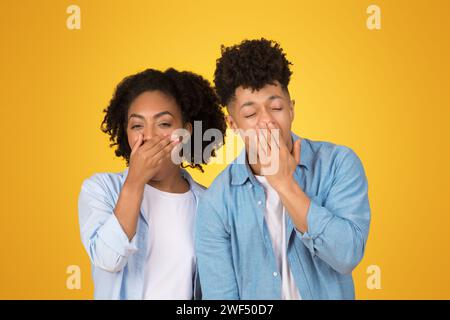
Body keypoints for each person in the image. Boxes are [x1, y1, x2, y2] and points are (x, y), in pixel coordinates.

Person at [195, 38, 371, 299]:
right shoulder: (216, 203)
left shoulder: (338, 163)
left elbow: (346, 256)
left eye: (276, 107)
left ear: (291, 109)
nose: (267, 121)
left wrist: (285, 185)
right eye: (251, 114)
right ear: (232, 124)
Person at [78, 68, 226, 299]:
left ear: (186, 132)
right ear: (126, 132)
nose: (149, 136)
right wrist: (135, 182)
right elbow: (107, 259)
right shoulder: (101, 189)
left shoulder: (209, 203)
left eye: (164, 124)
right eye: (137, 125)